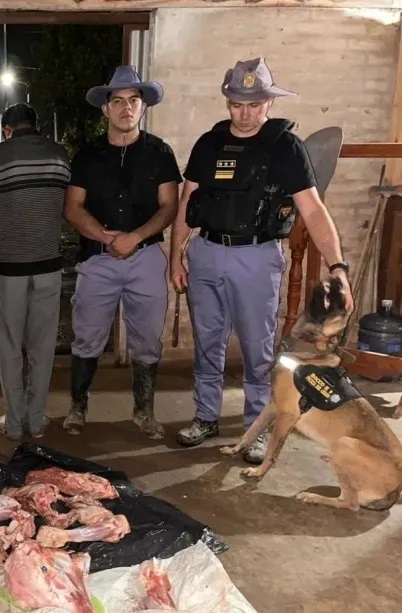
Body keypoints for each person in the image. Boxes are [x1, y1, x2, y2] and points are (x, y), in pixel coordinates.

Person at [169, 57, 353, 462]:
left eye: (254, 104)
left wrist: (338, 267)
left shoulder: (285, 147)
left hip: (256, 256)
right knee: (207, 343)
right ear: (227, 102)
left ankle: (256, 427)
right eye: (237, 104)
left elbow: (313, 209)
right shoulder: (208, 144)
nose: (246, 114)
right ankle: (205, 416)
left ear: (269, 102)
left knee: (258, 351)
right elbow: (187, 201)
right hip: (206, 253)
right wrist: (176, 256)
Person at [63, 65, 182, 439]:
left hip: (145, 258)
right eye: (117, 101)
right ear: (106, 109)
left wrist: (135, 237)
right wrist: (104, 236)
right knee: (87, 336)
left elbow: (169, 206)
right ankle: (78, 407)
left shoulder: (160, 153)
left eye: (133, 100)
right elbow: (72, 208)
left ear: (143, 107)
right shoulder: (87, 156)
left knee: (147, 339)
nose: (126, 108)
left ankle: (144, 412)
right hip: (97, 259)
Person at [0, 103, 71, 440]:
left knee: (10, 346)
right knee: (43, 347)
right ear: (36, 124)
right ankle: (38, 421)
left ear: (6, 130)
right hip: (48, 265)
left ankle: (14, 424)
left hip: (7, 268)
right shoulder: (60, 156)